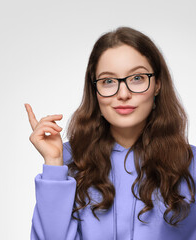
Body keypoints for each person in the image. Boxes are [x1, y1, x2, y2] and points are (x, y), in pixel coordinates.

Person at [24, 26, 196, 240]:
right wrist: (53, 163)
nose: (123, 94)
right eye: (108, 81)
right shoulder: (68, 160)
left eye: (137, 78)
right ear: (95, 90)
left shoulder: (191, 162)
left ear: (157, 85)